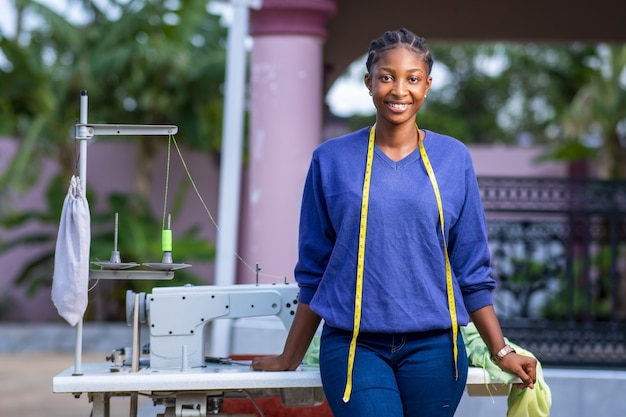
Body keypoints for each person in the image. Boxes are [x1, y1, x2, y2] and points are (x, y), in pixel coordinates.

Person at [251, 27, 537, 417]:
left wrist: (500, 351)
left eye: (412, 78)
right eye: (386, 77)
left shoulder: (454, 160)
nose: (399, 90)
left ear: (427, 85)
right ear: (368, 82)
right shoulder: (330, 160)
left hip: (436, 348)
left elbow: (472, 270)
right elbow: (315, 271)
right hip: (355, 347)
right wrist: (290, 357)